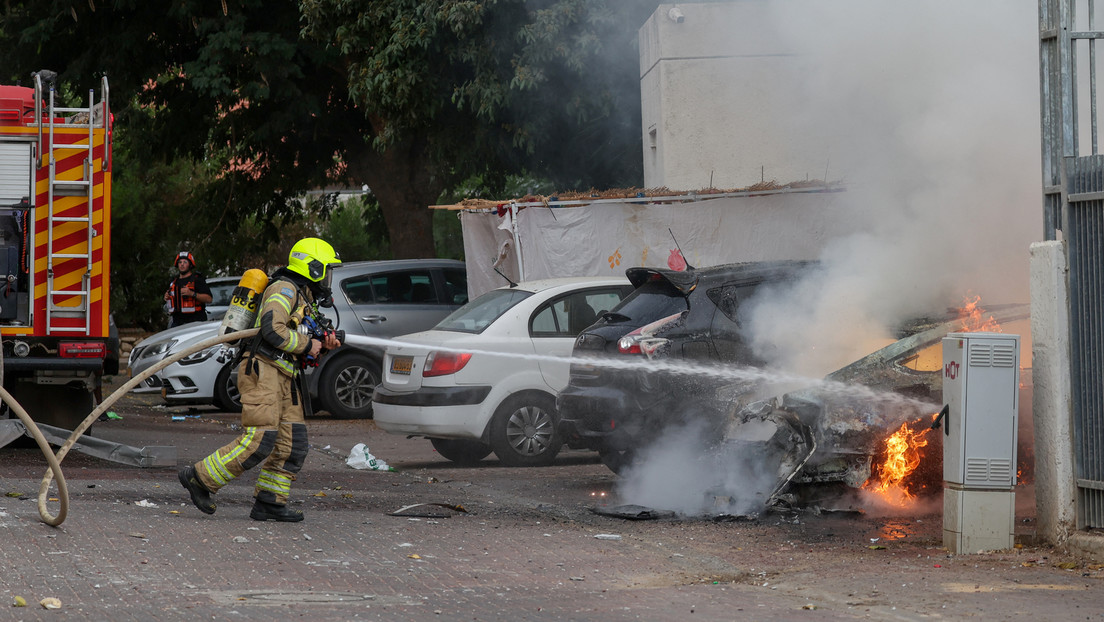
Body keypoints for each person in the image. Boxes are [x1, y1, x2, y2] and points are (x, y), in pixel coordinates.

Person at [178, 238, 342, 522]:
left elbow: (295, 333)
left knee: (293, 444)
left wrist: (320, 343)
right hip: (262, 370)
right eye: (326, 270)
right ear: (312, 267)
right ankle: (199, 478)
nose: (327, 278)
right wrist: (307, 345)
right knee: (261, 438)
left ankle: (270, 501)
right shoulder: (284, 288)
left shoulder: (302, 295)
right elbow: (272, 329)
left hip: (284, 376)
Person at [164, 251, 213, 327]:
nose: (182, 264)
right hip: (177, 322)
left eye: (185, 262)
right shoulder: (173, 282)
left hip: (196, 322)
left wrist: (192, 294)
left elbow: (209, 299)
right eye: (180, 262)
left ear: (190, 265)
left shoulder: (197, 280)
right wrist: (167, 297)